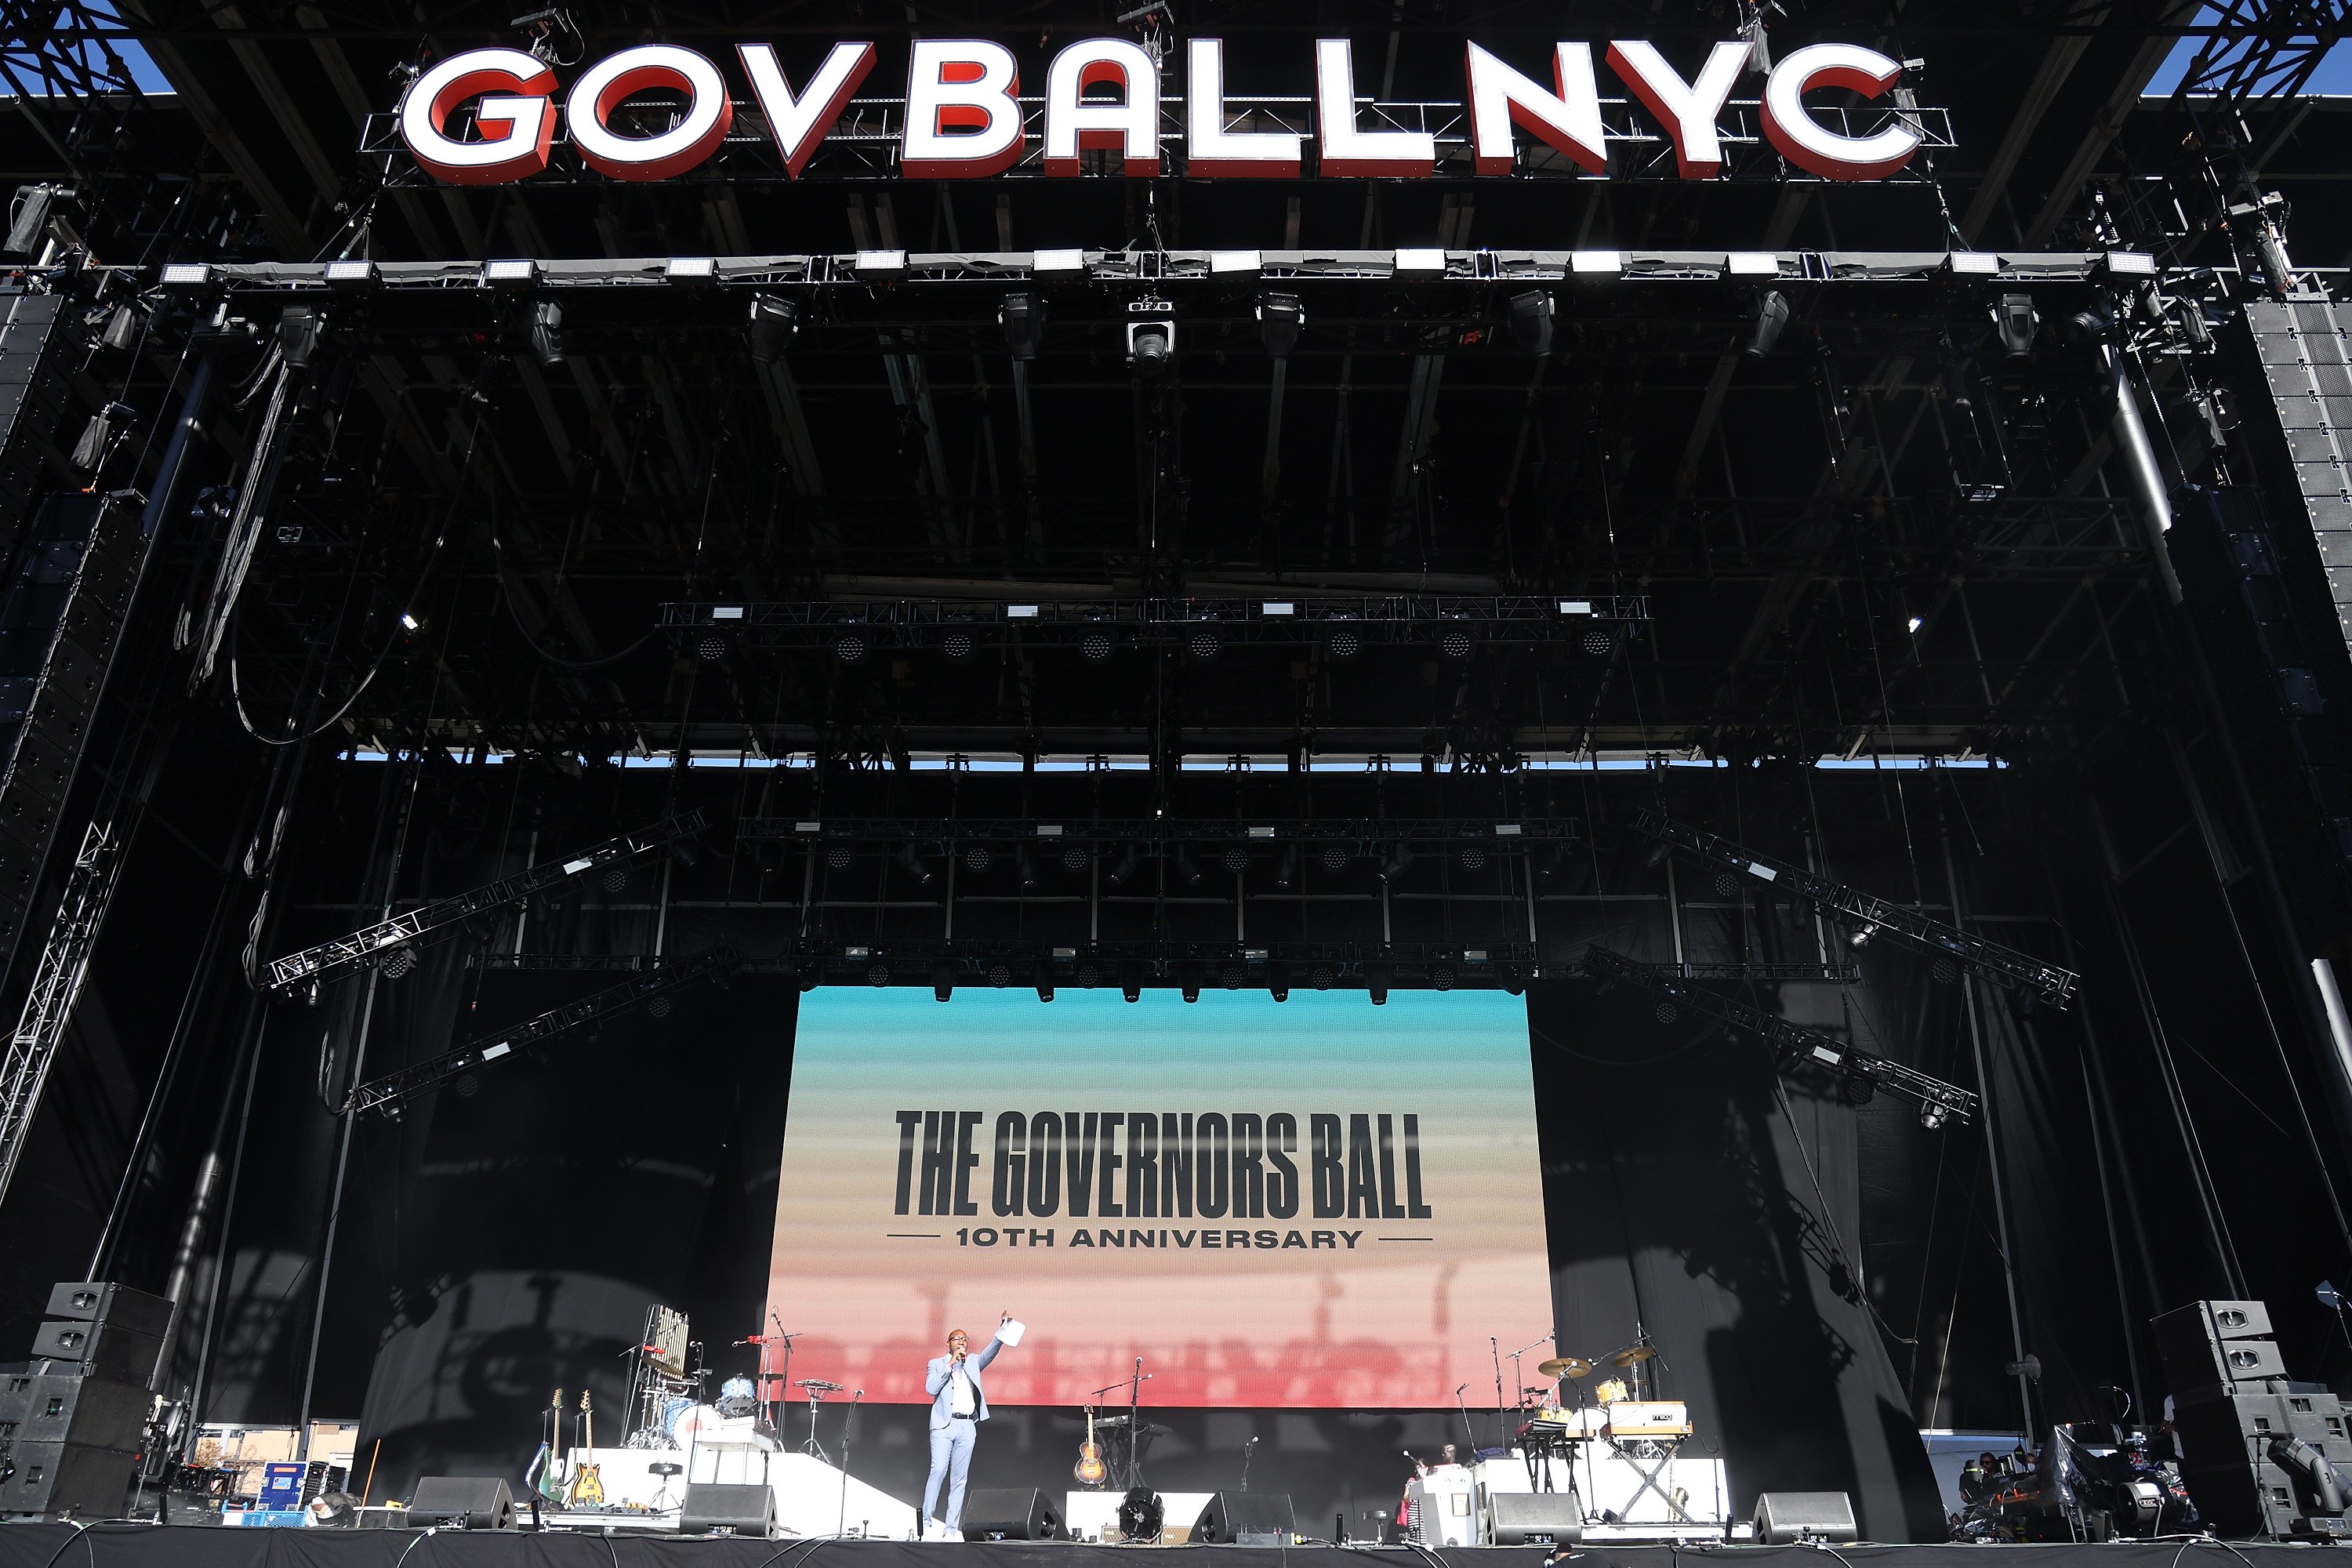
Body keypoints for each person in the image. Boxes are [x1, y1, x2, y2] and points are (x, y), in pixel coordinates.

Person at [921, 1312, 1014, 1538]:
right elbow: (931, 1389)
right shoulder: (936, 1364)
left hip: (967, 1426)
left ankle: (951, 1529)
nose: (962, 1342)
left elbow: (992, 1350)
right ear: (948, 1343)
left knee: (959, 1479)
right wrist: (950, 1365)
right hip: (944, 1425)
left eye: (965, 1339)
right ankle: (926, 1522)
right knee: (938, 1470)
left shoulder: (973, 1362)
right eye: (957, 1339)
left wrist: (1003, 1329)